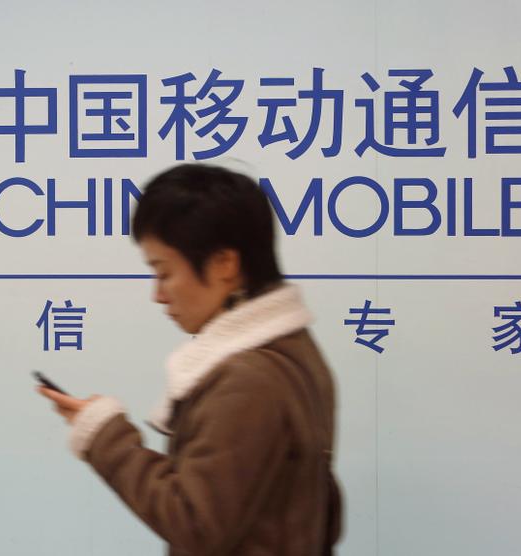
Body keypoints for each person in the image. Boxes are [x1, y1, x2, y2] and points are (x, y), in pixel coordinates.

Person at [38, 163, 342, 555]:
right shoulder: (294, 352)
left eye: (164, 273)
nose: (158, 295)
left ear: (224, 265)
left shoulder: (249, 381)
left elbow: (194, 524)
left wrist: (104, 434)